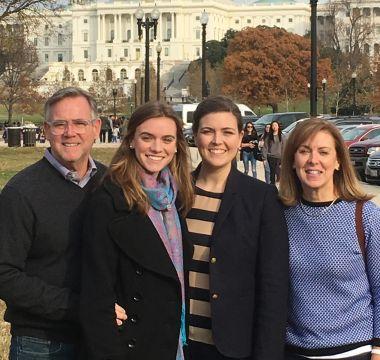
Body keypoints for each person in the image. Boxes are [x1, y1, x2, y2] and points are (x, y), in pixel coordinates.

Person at [0, 87, 118, 359]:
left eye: (79, 123)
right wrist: (81, 307)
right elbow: (5, 274)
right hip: (42, 342)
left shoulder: (112, 182)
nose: (70, 132)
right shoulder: (22, 192)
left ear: (96, 127)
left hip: (101, 338)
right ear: (46, 129)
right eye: (60, 124)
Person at [80, 101, 194, 360]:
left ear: (176, 146)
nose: (157, 148)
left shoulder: (175, 196)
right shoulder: (108, 199)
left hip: (170, 339)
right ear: (131, 140)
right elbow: (96, 296)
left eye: (167, 139)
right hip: (130, 345)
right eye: (147, 137)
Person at [186, 96, 289, 360]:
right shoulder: (175, 192)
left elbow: (273, 287)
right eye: (208, 131)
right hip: (178, 343)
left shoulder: (261, 198)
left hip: (232, 346)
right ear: (195, 135)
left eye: (227, 132)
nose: (217, 141)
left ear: (241, 136)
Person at [279, 118, 380, 360]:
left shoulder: (365, 214)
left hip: (355, 350)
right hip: (294, 351)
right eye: (304, 151)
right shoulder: (280, 215)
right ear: (293, 161)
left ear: (337, 161)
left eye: (323, 152)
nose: (313, 160)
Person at [262, 120, 284, 184]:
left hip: (279, 158)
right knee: (272, 173)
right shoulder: (269, 137)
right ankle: (272, 187)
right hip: (271, 157)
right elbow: (265, 147)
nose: (274, 127)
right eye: (273, 125)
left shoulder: (282, 136)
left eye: (275, 125)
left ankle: (278, 186)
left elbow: (284, 148)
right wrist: (264, 158)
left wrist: (284, 158)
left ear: (278, 127)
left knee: (279, 173)